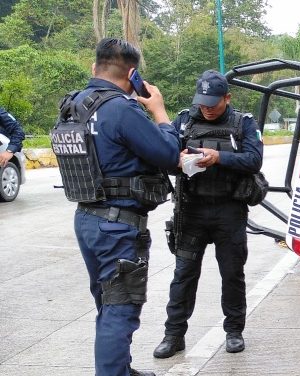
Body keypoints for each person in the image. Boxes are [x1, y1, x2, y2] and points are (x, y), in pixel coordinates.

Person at [54, 38, 180, 376]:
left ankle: (120, 369)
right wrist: (160, 111)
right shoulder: (122, 109)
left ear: (95, 68)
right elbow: (169, 155)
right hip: (119, 225)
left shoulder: (75, 105)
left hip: (87, 218)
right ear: (133, 74)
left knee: (107, 303)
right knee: (121, 308)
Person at [153, 70, 263, 358]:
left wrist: (219, 158)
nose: (207, 108)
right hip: (192, 210)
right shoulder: (184, 121)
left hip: (230, 210)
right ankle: (173, 335)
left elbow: (254, 160)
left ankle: (234, 331)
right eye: (203, 103)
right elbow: (164, 157)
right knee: (183, 275)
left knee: (232, 274)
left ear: (228, 98)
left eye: (213, 103)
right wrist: (177, 160)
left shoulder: (244, 123)